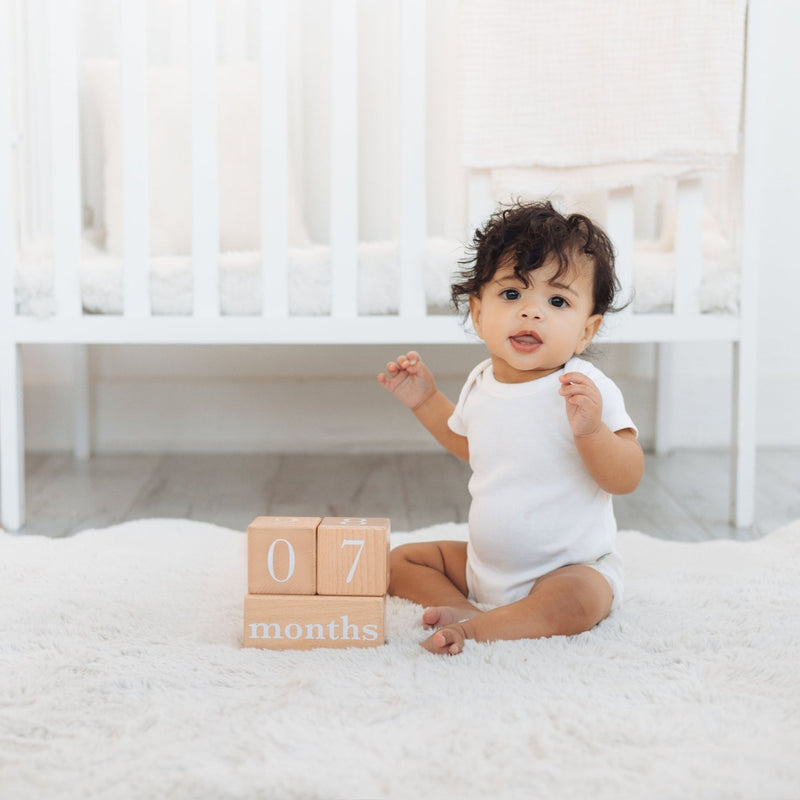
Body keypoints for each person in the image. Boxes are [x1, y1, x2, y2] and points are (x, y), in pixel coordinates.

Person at [377, 201, 645, 655]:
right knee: (402, 561)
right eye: (512, 295)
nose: (531, 313)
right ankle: (464, 607)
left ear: (586, 331)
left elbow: (626, 476)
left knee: (580, 599)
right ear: (478, 314)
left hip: (567, 568)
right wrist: (425, 400)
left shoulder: (585, 390)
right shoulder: (481, 382)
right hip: (487, 567)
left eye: (557, 301)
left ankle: (479, 630)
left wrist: (591, 431)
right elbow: (468, 444)